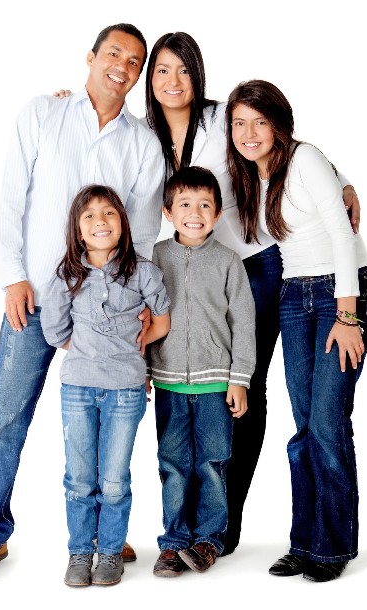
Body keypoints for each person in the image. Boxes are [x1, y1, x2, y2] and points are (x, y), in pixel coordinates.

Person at [53, 30, 362, 556]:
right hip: (177, 269)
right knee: (184, 392)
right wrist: (69, 104)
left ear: (197, 75)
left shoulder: (222, 119)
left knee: (243, 387)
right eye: (161, 70)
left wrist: (342, 180)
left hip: (254, 265)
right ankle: (188, 526)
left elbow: (281, 144)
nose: (173, 81)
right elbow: (102, 164)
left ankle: (222, 525)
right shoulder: (141, 133)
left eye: (183, 69)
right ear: (149, 80)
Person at [0, 23, 165, 579]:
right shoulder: (44, 113)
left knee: (109, 421)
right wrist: (12, 276)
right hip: (36, 299)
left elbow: (141, 230)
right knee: (5, 416)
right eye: (113, 53)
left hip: (107, 315)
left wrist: (139, 303)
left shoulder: (142, 143)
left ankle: (106, 534)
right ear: (90, 57)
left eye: (134, 61)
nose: (122, 66)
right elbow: (11, 195)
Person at [225, 79, 367, 582]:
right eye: (239, 123)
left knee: (328, 423)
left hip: (341, 293)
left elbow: (341, 234)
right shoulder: (253, 175)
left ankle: (332, 548)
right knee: (305, 426)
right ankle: (304, 542)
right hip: (293, 297)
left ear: (279, 124)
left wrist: (348, 317)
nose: (249, 132)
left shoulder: (305, 158)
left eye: (259, 122)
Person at [40, 184, 170, 586]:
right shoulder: (67, 275)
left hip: (126, 390)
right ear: (78, 231)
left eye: (109, 212)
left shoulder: (142, 271)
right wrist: (88, 349)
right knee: (79, 479)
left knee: (114, 480)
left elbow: (161, 321)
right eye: (90, 215)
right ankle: (80, 552)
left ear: (123, 223)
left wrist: (127, 349)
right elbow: (54, 330)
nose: (101, 221)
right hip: (78, 388)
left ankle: (110, 552)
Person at [147, 166, 256, 576]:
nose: (195, 213)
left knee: (212, 463)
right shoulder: (156, 257)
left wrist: (239, 379)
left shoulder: (228, 262)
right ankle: (174, 542)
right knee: (173, 464)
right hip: (169, 381)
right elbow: (144, 316)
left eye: (205, 205)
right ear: (168, 212)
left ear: (218, 212)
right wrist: (144, 368)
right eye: (185, 205)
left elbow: (243, 323)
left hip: (215, 384)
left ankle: (209, 540)